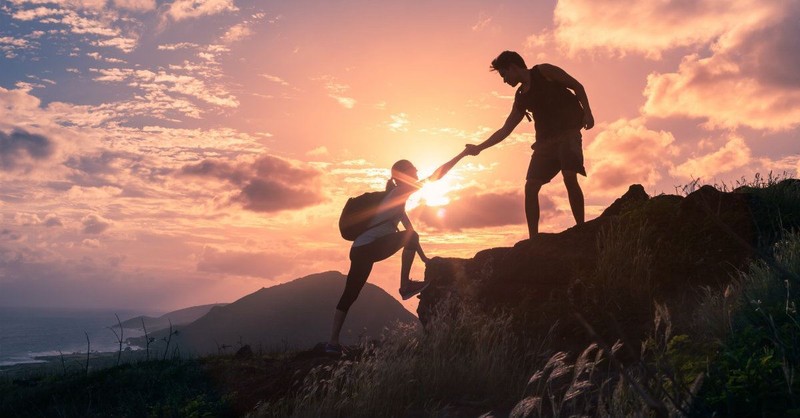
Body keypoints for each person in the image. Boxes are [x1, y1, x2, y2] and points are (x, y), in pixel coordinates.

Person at [327, 150, 467, 354]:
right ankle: (404, 286)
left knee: (350, 294)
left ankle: (332, 342)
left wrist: (424, 258)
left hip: (360, 249)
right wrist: (462, 154)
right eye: (413, 169)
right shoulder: (401, 190)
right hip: (367, 248)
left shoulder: (396, 201)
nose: (417, 172)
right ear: (403, 175)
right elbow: (436, 176)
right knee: (351, 293)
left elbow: (410, 233)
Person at [465, 51, 594, 238]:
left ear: (512, 67)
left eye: (504, 75)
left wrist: (588, 113)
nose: (504, 80)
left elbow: (577, 86)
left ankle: (581, 229)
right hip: (544, 144)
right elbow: (505, 129)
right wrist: (479, 147)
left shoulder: (544, 71)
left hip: (568, 133)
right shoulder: (521, 97)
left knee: (569, 176)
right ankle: (533, 239)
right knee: (531, 187)